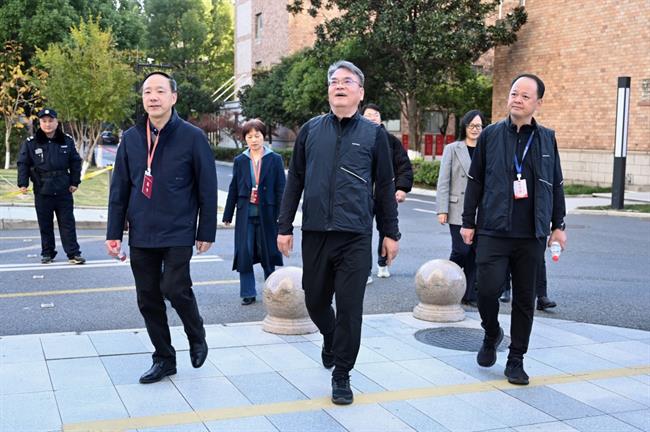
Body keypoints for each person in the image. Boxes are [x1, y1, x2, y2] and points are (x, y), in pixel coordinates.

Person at [277, 60, 399, 405]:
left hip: (355, 235)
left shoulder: (374, 135)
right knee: (315, 300)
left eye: (347, 81)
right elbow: (295, 180)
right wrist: (284, 226)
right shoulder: (311, 130)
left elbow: (385, 186)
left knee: (349, 308)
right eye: (334, 81)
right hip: (316, 232)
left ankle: (342, 374)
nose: (339, 86)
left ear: (360, 92)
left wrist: (390, 233)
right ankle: (330, 336)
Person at [105, 71, 217, 384]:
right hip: (142, 230)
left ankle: (196, 333)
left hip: (179, 229)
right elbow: (119, 189)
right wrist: (114, 233)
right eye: (147, 92)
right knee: (148, 298)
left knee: (174, 287)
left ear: (173, 97)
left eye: (159, 91)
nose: (153, 97)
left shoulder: (192, 136)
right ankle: (164, 358)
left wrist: (205, 231)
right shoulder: (131, 138)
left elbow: (207, 188)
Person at [461, 73, 567, 386]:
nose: (517, 99)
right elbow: (475, 181)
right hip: (493, 228)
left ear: (538, 103)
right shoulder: (491, 135)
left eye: (525, 96)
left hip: (531, 234)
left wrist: (558, 226)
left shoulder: (546, 138)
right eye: (514, 93)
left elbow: (556, 184)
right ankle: (491, 332)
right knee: (486, 290)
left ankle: (516, 358)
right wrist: (468, 221)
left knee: (524, 298)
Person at [223, 119, 286, 305]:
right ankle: (248, 292)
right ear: (245, 139)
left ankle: (272, 290)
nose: (254, 140)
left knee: (268, 252)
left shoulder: (274, 159)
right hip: (246, 214)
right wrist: (228, 214)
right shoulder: (240, 160)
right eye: (249, 136)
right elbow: (234, 188)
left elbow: (281, 189)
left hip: (268, 214)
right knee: (245, 252)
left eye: (257, 136)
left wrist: (283, 215)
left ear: (263, 136)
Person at [17, 108, 85, 265]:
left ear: (56, 122)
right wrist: (23, 183)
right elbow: (23, 163)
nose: (47, 124)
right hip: (42, 188)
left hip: (63, 188)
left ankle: (73, 254)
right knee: (45, 224)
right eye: (44, 121)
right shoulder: (31, 143)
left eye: (50, 121)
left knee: (67, 223)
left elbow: (75, 162)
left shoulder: (66, 141)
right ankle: (47, 253)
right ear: (40, 123)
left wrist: (75, 182)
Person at [436, 110, 486, 306]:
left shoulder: (487, 149)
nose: (475, 129)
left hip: (481, 209)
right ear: (464, 127)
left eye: (479, 126)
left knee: (475, 252)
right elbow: (444, 180)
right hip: (457, 208)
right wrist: (442, 209)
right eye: (471, 125)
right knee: (461, 250)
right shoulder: (452, 148)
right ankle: (448, 283)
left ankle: (469, 294)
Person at [361, 103, 413, 283]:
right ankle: (364, 270)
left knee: (386, 229)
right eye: (368, 115)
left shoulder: (391, 140)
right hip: (363, 196)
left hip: (385, 194)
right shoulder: (357, 138)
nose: (372, 118)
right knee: (363, 233)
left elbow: (403, 165)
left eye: (375, 114)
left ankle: (383, 263)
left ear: (381, 118)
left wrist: (401, 188)